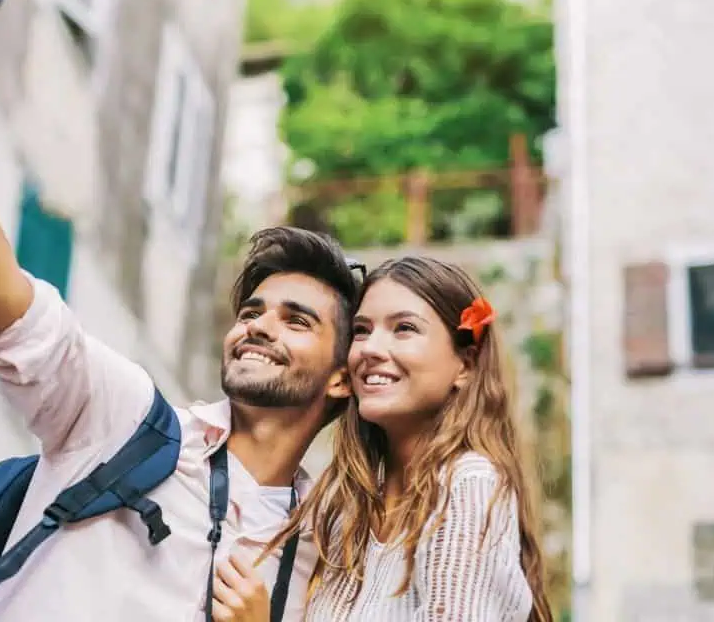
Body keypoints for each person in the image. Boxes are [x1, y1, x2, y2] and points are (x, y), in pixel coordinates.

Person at [0, 0, 361, 621]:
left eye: (297, 320)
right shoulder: (125, 420)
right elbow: (4, 299)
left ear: (343, 378)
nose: (258, 324)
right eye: (252, 309)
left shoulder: (324, 556)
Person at [210, 256, 554, 621]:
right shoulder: (346, 510)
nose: (370, 349)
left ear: (465, 366)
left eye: (404, 328)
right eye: (361, 330)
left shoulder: (467, 484)